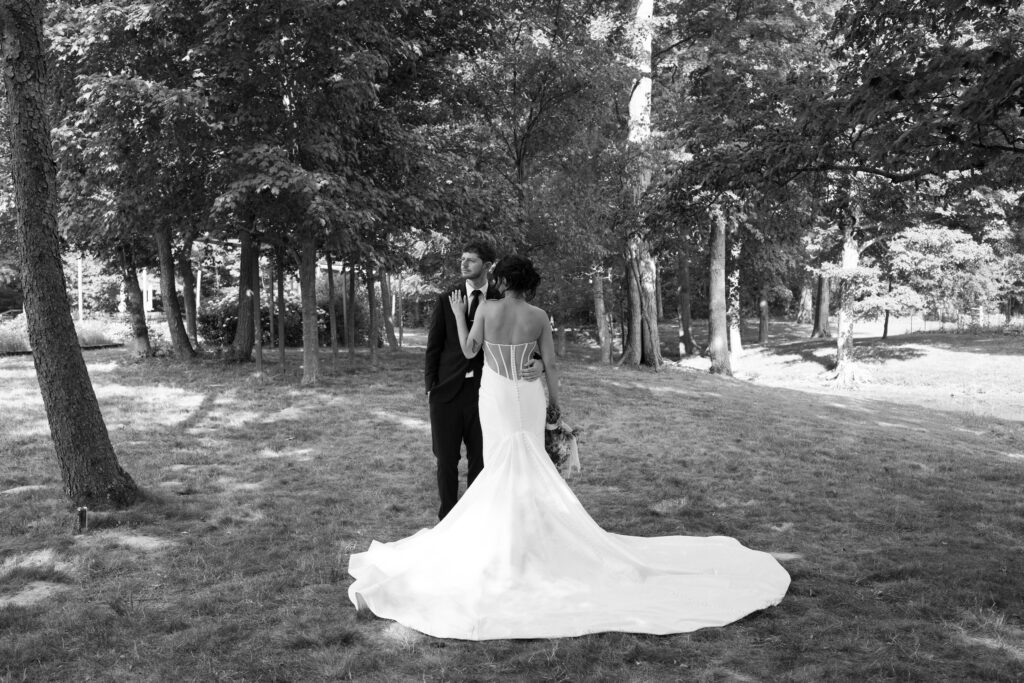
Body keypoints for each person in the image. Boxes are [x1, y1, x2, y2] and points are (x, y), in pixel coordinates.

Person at [349, 256, 790, 640]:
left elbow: (468, 349)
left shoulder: (485, 309)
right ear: (531, 284)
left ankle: (505, 543)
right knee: (530, 462)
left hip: (495, 395)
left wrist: (462, 318)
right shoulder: (538, 316)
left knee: (502, 462)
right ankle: (533, 539)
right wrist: (555, 405)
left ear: (502, 280)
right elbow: (551, 364)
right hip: (527, 394)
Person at [423, 241, 541, 520]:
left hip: (486, 394)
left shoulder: (504, 297)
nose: (464, 264)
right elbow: (434, 347)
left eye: (471, 260)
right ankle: (447, 520)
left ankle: (477, 520)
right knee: (446, 461)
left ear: (487, 266)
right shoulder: (447, 299)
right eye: (462, 259)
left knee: (483, 459)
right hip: (447, 394)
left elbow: (524, 342)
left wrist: (538, 364)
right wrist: (430, 388)